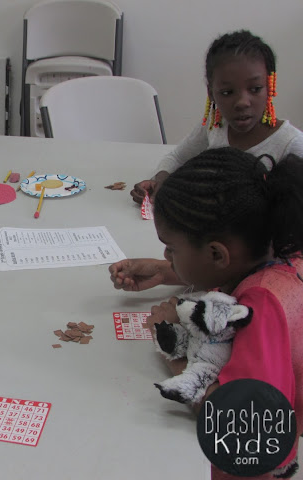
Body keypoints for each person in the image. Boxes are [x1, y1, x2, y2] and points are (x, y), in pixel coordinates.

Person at [113, 147, 303, 479]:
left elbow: (242, 427)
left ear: (216, 254)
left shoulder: (260, 310)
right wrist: (167, 271)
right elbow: (232, 268)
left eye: (171, 248)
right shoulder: (282, 243)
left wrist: (173, 348)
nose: (165, 254)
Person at [131, 30, 303, 204]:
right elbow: (176, 158)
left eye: (255, 89)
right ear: (211, 93)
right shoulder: (215, 126)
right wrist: (160, 182)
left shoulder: (291, 144)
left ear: (270, 86)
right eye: (227, 92)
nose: (242, 102)